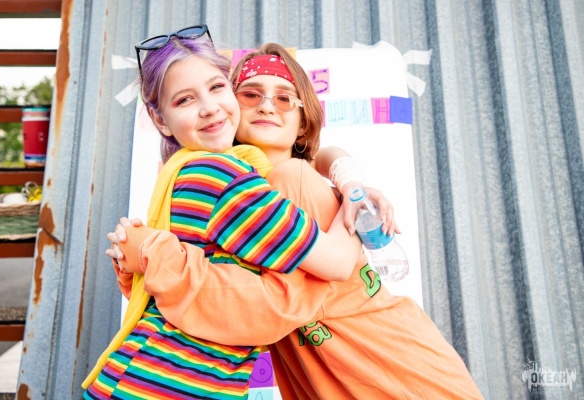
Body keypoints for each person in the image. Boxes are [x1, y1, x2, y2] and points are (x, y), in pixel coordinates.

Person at [107, 43, 484, 399]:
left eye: (284, 98)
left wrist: (153, 257)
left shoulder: (290, 179)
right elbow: (195, 302)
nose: (267, 106)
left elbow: (259, 301)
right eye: (250, 94)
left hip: (391, 368)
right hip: (351, 372)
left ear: (303, 123)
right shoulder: (240, 192)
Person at [82, 26, 367, 399]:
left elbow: (185, 282)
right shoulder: (222, 177)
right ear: (161, 120)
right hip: (162, 384)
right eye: (185, 100)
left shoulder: (186, 171)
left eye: (217, 87)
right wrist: (358, 205)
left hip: (154, 378)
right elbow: (337, 264)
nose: (209, 107)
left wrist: (344, 171)